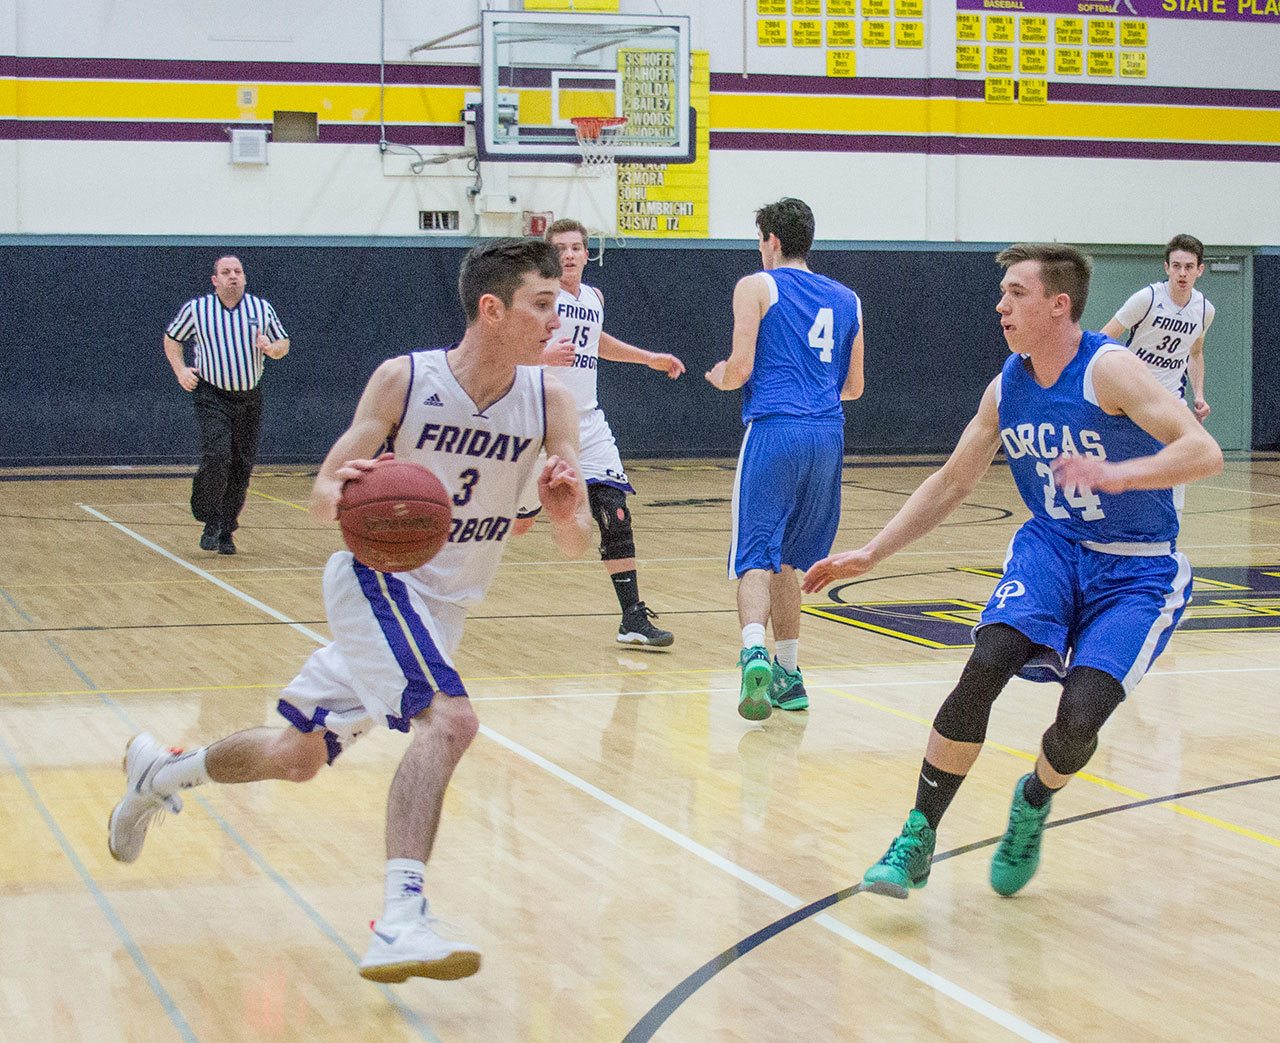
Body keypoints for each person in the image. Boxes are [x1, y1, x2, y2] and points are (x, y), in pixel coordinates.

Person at [112, 238, 592, 983]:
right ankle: (400, 919)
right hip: (378, 579)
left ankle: (160, 776)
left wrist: (565, 511)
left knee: (296, 756)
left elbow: (574, 542)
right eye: (542, 303)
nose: (555, 318)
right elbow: (319, 499)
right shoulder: (404, 379)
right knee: (451, 720)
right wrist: (347, 487)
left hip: (445, 607)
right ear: (491, 309)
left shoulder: (550, 399)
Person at [803, 243, 1222, 900]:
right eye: (1002, 291)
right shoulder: (1007, 386)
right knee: (986, 660)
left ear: (1060, 305)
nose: (1001, 304)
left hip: (1138, 570)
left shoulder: (1109, 370)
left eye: (1017, 292)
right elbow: (952, 481)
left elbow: (1204, 451)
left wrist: (1120, 473)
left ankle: (1033, 799)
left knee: (1079, 718)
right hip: (1052, 550)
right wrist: (872, 552)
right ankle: (916, 833)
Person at [705, 198, 865, 720]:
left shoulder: (757, 285)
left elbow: (741, 367)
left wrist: (720, 376)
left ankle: (754, 648)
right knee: (790, 562)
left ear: (772, 240)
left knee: (754, 555)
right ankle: (790, 675)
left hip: (776, 428)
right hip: (828, 437)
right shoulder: (849, 299)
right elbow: (855, 387)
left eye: (759, 241)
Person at [513, 218, 685, 649]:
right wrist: (541, 353)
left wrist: (647, 358)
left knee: (615, 512)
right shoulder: (533, 298)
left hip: (587, 422)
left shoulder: (594, 297)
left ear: (588, 254)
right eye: (561, 248)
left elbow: (596, 341)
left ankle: (632, 617)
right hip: (536, 422)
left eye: (577, 247)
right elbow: (503, 354)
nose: (570, 254)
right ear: (549, 255)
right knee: (515, 526)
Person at [164, 255, 290, 555]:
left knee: (241, 465)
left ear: (244, 278)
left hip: (249, 397)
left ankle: (226, 529)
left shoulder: (261, 308)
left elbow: (283, 343)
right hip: (212, 394)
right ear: (215, 280)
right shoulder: (197, 309)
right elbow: (172, 339)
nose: (233, 276)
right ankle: (210, 518)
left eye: (238, 271)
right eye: (226, 272)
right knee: (218, 457)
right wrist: (181, 370)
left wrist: (272, 349)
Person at [1101, 234, 1215, 423]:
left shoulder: (1205, 310)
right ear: (1167, 268)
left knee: (1202, 449)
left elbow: (1195, 353)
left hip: (1170, 398)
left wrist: (1199, 395)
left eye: (1189, 267)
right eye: (1176, 266)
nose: (1182, 273)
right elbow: (1103, 338)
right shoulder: (1147, 298)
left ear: (1199, 270)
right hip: (1132, 394)